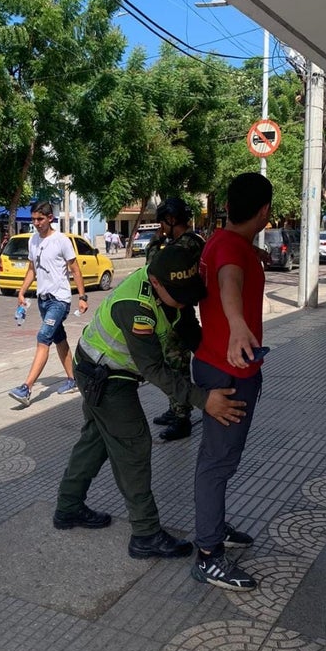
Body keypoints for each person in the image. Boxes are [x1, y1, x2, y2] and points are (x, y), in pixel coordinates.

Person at [53, 244, 246, 560]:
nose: (185, 301)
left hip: (102, 367)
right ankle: (145, 535)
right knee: (134, 445)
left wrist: (221, 358)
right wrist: (203, 400)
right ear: (156, 283)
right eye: (179, 295)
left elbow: (187, 327)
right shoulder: (136, 308)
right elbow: (154, 369)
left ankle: (68, 507)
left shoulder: (171, 284)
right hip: (104, 376)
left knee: (96, 440)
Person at [190, 172, 273, 592]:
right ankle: (208, 555)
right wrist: (238, 324)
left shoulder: (223, 241)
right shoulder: (230, 251)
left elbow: (230, 268)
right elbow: (229, 282)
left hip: (218, 365)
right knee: (217, 463)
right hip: (229, 374)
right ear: (264, 211)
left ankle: (214, 527)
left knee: (218, 459)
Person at [8, 201, 89, 406]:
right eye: (34, 219)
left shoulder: (62, 240)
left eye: (40, 219)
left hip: (59, 300)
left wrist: (82, 297)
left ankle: (26, 388)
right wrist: (22, 291)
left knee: (43, 337)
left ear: (50, 218)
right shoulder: (33, 240)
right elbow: (32, 269)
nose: (36, 223)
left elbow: (75, 269)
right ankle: (73, 380)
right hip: (42, 300)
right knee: (59, 338)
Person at [146, 198, 206, 442]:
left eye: (162, 222)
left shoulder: (182, 246)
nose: (160, 227)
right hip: (177, 314)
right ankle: (175, 409)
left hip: (178, 316)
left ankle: (182, 419)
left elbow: (152, 266)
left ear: (171, 220)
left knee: (177, 368)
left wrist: (155, 240)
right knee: (174, 365)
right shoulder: (191, 242)